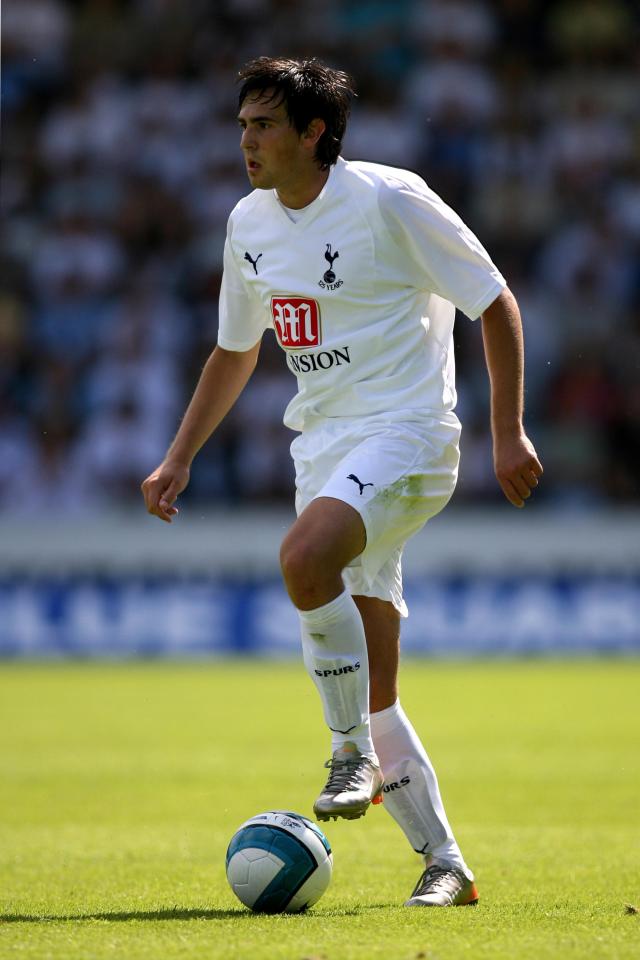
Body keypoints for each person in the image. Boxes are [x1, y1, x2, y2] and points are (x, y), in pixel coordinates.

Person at [141, 57, 543, 908]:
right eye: (242, 125)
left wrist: (508, 431)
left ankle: (345, 750)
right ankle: (447, 863)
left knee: (302, 560)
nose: (246, 141)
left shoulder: (390, 199)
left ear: (314, 132)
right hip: (324, 451)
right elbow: (236, 348)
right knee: (378, 680)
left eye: (263, 125)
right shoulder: (249, 222)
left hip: (411, 435)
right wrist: (180, 455)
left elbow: (495, 301)